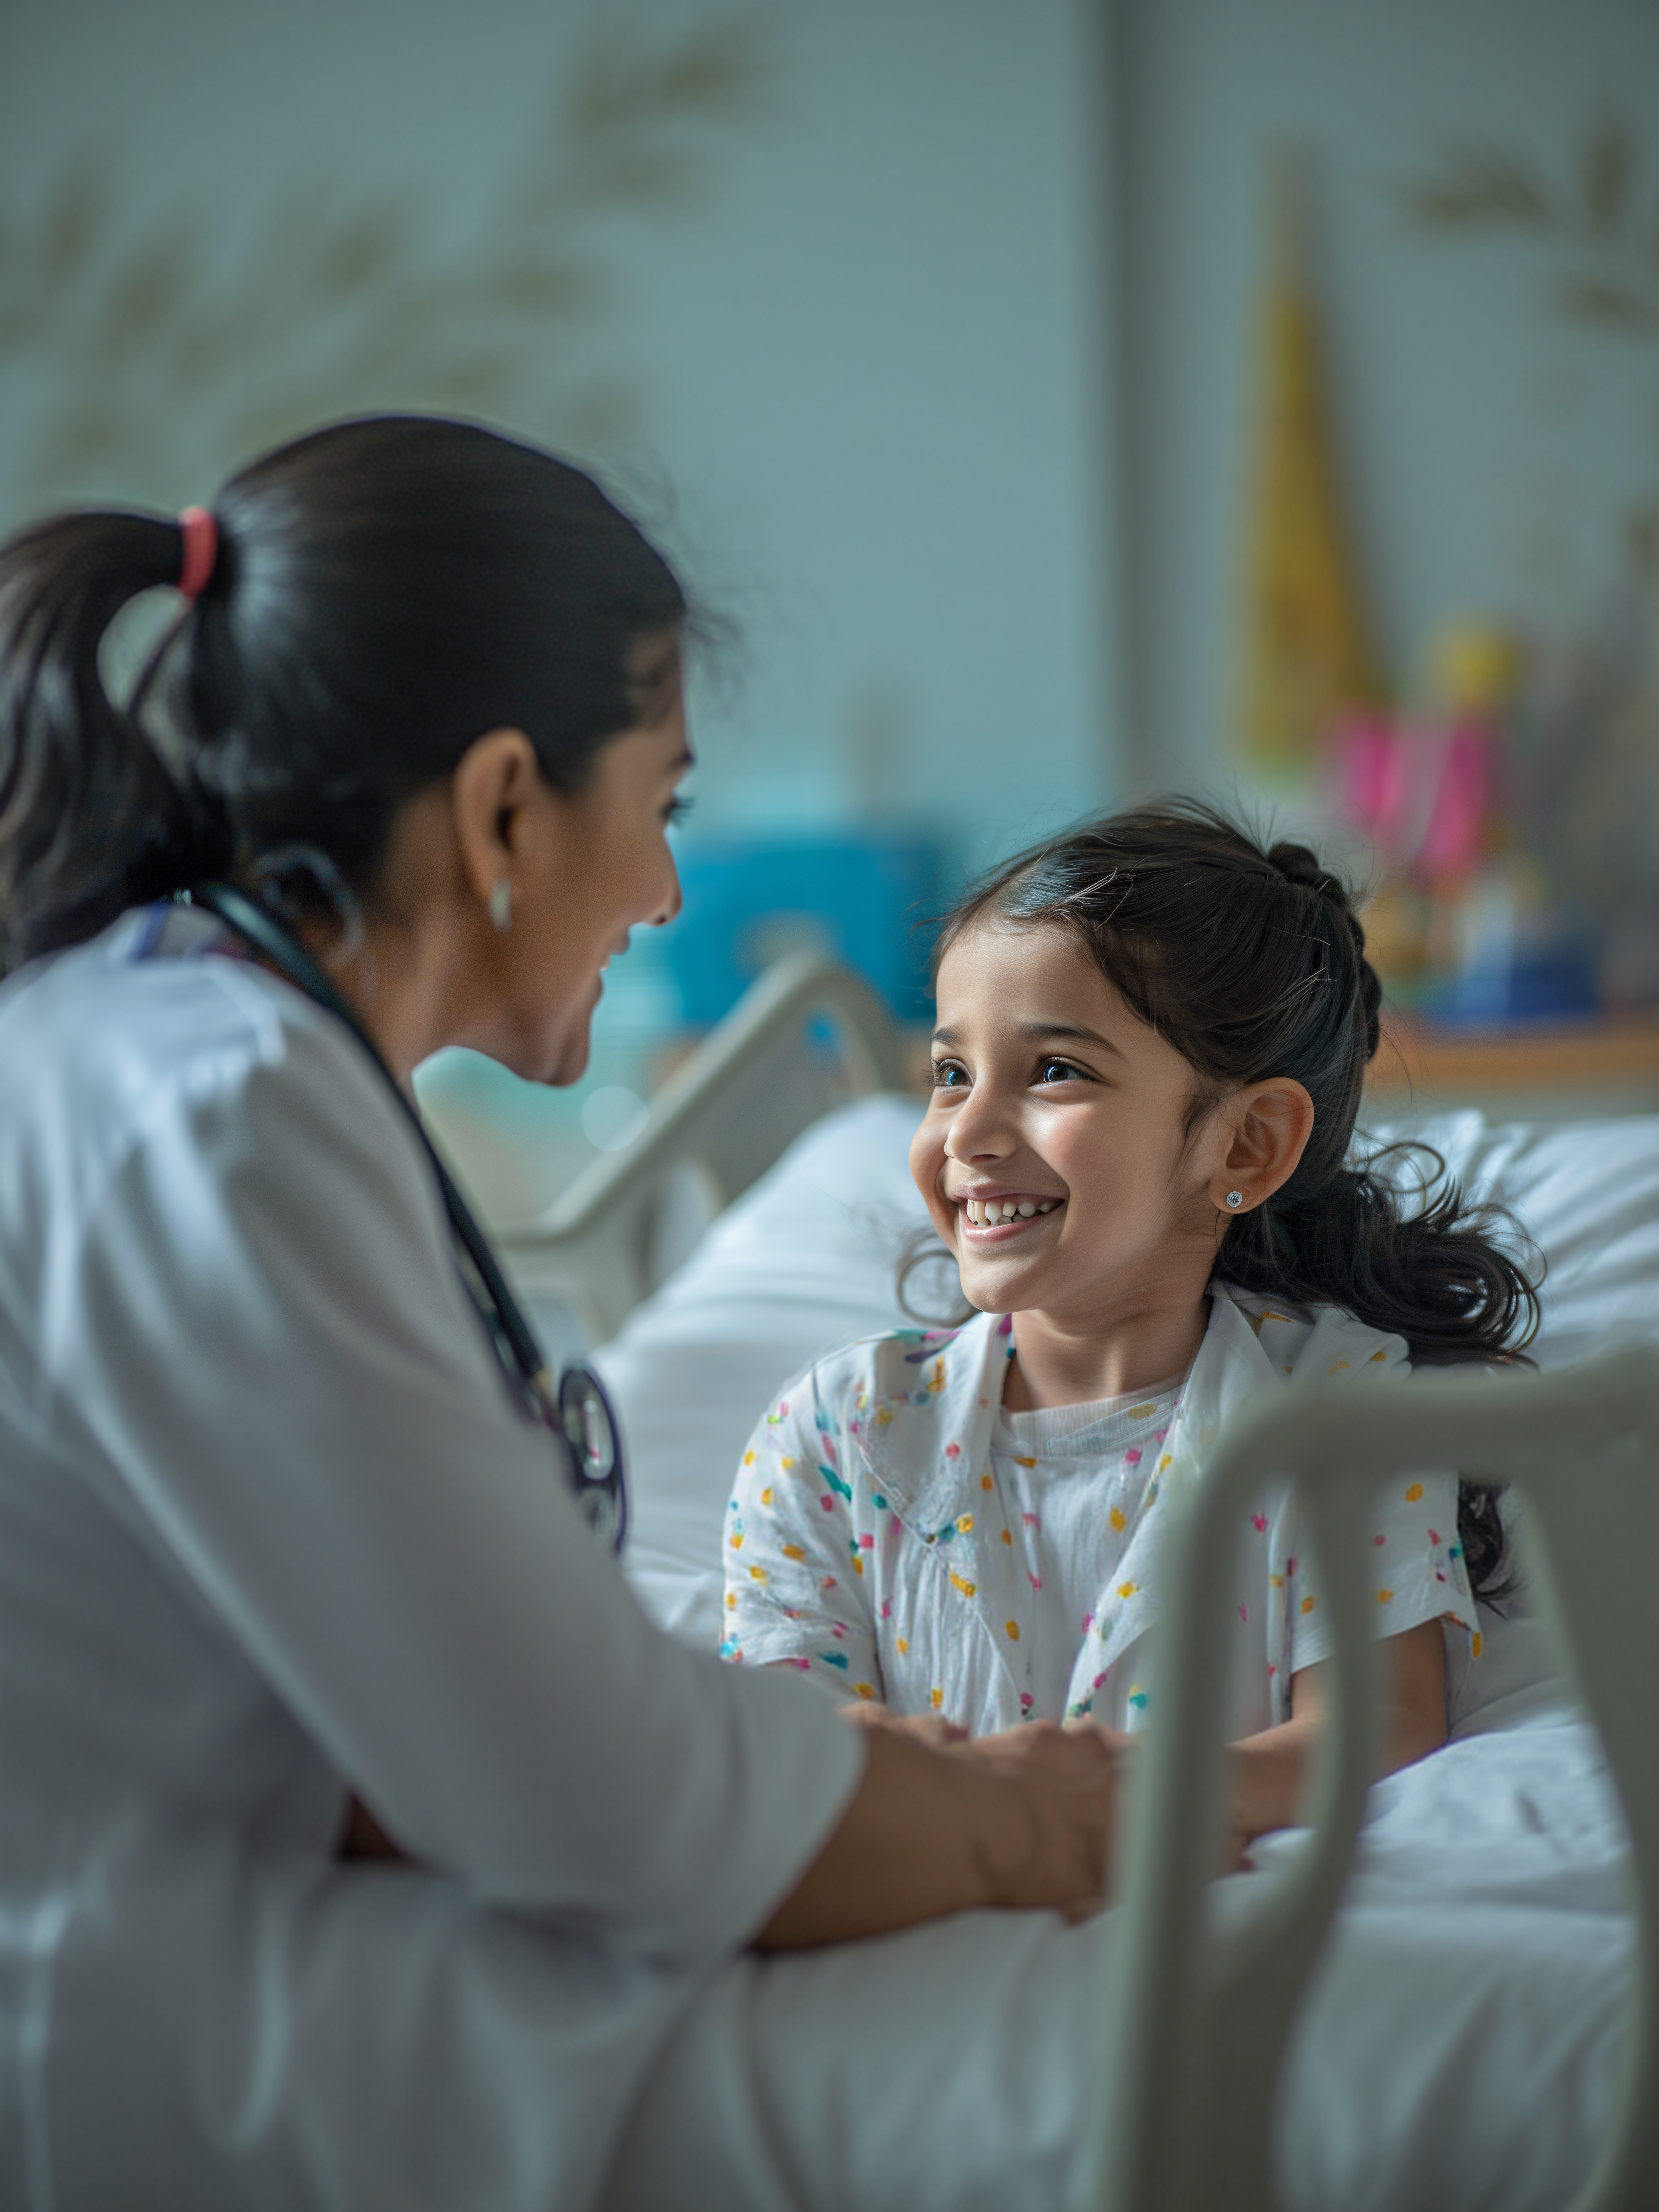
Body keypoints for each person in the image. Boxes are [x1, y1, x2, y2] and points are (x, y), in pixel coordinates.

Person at [0, 415, 1123, 2212]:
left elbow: (424, 1700)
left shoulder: (191, 1058)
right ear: (505, 804)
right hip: (112, 2048)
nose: (669, 890)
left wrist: (852, 1763)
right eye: (661, 804)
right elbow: (585, 1795)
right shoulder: (215, 1122)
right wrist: (1017, 1820)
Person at [722, 805, 1541, 1863]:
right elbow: (789, 1763)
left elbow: (1378, 1725)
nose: (967, 1131)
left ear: (1245, 1144)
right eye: (950, 1073)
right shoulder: (837, 1440)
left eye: (1055, 1069)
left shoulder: (1336, 1416)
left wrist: (1120, 1803)